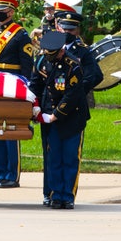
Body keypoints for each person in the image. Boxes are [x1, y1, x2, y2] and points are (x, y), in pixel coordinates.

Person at [0, 0, 34, 189]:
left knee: (10, 131)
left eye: (3, 10)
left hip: (12, 87)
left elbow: (27, 65)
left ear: (11, 12)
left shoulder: (20, 34)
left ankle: (13, 174)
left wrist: (26, 90)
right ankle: (1, 172)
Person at [30, 31, 87, 209]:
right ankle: (55, 194)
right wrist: (35, 107)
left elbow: (72, 95)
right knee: (53, 157)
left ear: (62, 51)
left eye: (54, 55)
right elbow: (35, 85)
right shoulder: (41, 61)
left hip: (71, 117)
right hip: (48, 116)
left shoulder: (73, 65)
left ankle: (67, 196)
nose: (50, 58)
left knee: (70, 157)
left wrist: (56, 114)